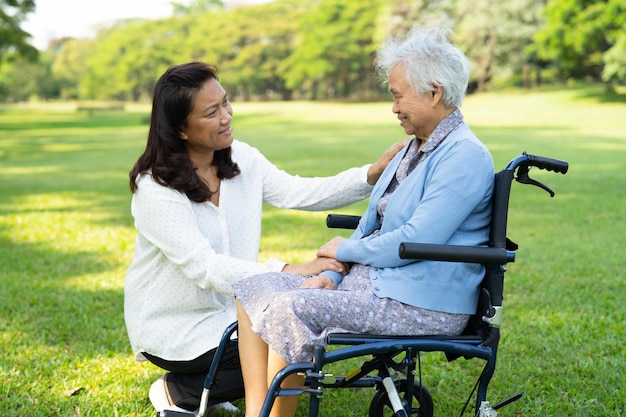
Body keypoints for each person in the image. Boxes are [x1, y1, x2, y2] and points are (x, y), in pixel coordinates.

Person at [233, 25, 495, 417]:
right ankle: (258, 412)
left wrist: (345, 250)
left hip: (420, 302)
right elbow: (372, 222)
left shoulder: (465, 156)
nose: (393, 107)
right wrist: (334, 274)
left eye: (397, 96)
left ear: (434, 92)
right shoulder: (411, 148)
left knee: (289, 307)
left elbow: (416, 238)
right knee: (253, 286)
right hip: (372, 285)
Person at [123, 61, 406, 414]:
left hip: (233, 314)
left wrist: (370, 174)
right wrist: (291, 269)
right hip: (174, 327)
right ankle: (178, 389)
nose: (226, 116)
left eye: (225, 103)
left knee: (296, 337)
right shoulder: (155, 188)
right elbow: (205, 268)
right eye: (212, 112)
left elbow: (300, 191)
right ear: (180, 129)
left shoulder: (242, 158)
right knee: (282, 345)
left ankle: (216, 387)